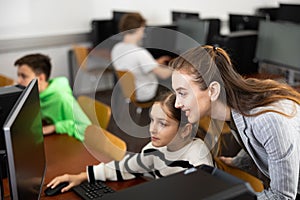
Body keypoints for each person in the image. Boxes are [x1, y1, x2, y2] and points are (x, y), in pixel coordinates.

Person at [170, 45, 300, 199]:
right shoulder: (238, 106)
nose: (177, 103)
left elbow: (282, 196)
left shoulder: (267, 122)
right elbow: (257, 138)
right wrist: (238, 162)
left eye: (183, 93)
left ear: (212, 91)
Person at [46, 91, 213, 192]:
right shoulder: (155, 150)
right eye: (152, 120)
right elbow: (125, 167)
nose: (152, 129)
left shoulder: (197, 159)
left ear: (185, 130)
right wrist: (81, 177)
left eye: (162, 124)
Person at [14, 53, 91, 141]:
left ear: (41, 78)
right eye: (18, 75)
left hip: (72, 146)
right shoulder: (36, 94)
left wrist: (55, 127)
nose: (18, 81)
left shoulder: (62, 98)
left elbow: (86, 129)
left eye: (23, 76)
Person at [111, 12, 172, 102]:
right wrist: (176, 67)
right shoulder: (140, 53)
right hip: (146, 93)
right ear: (139, 29)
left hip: (129, 91)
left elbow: (135, 65)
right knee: (170, 89)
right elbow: (164, 74)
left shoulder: (116, 48)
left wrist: (155, 62)